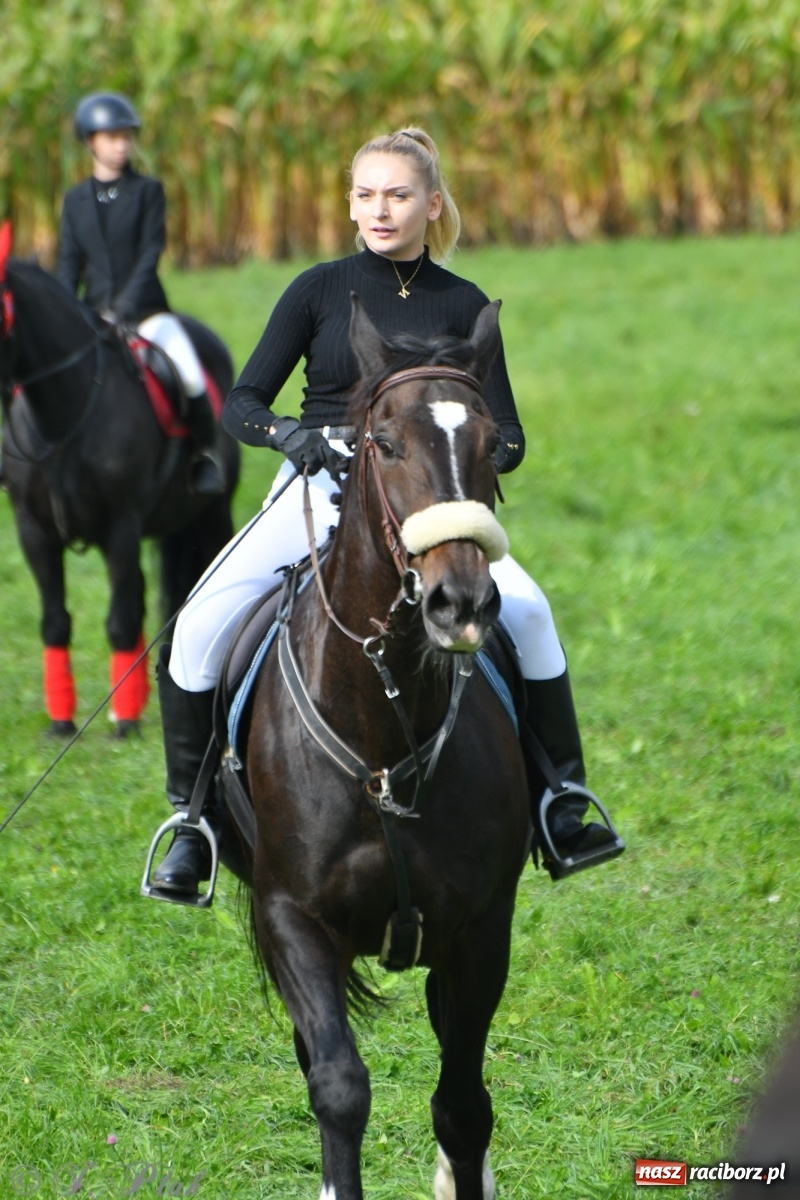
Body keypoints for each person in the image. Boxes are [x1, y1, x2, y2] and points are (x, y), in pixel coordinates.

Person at [148, 127, 623, 897]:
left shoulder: (464, 302)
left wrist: (473, 456)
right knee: (199, 623)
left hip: (432, 493)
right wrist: (292, 436)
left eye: (398, 194)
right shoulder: (316, 289)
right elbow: (242, 403)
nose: (381, 208)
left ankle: (561, 802)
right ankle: (193, 822)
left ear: (431, 204)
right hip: (322, 479)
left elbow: (510, 431)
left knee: (530, 616)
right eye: (366, 194)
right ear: (350, 203)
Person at [55, 91, 224, 495]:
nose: (122, 145)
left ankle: (205, 457)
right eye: (112, 137)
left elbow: (150, 254)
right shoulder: (75, 200)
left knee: (187, 371)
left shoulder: (148, 191)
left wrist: (124, 309)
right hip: (91, 316)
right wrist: (67, 313)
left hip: (146, 312)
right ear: (90, 141)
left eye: (127, 136)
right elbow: (67, 263)